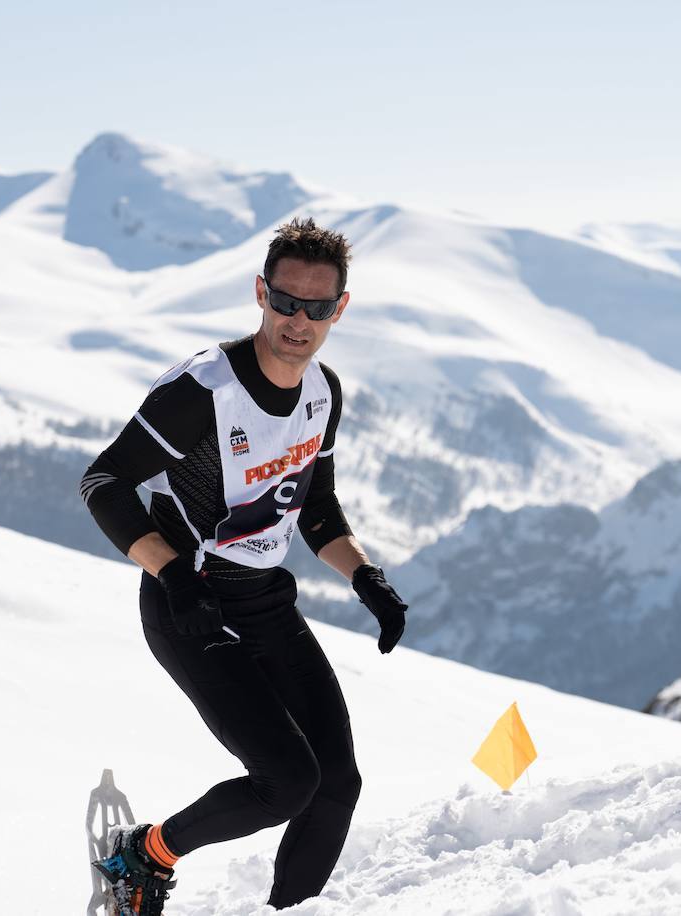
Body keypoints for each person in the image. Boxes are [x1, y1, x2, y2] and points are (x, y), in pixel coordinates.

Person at [80, 217, 409, 915]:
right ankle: (144, 856)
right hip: (189, 605)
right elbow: (103, 483)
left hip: (265, 602)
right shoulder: (204, 389)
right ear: (261, 293)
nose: (299, 320)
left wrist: (365, 577)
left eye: (317, 308)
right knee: (285, 781)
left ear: (338, 310)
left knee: (337, 785)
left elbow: (313, 505)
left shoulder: (323, 392)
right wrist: (171, 575)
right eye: (286, 301)